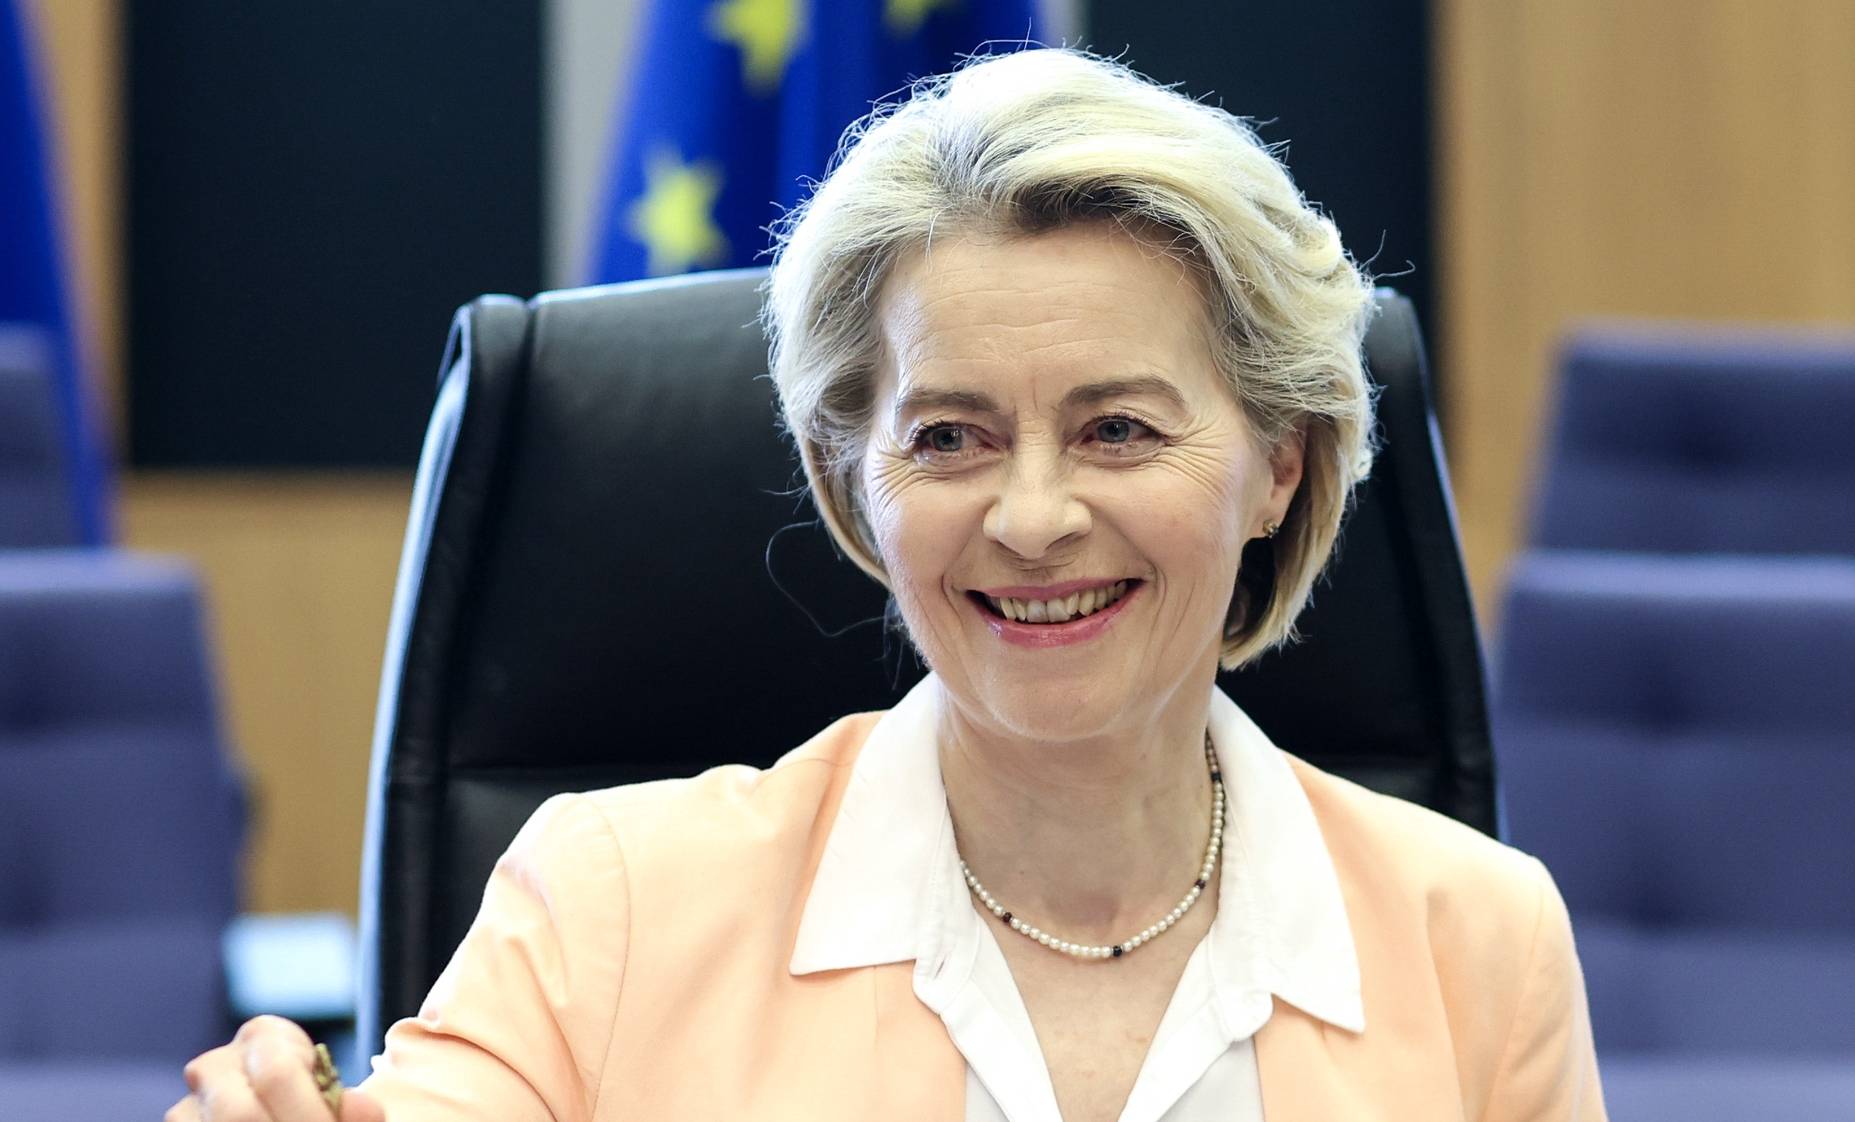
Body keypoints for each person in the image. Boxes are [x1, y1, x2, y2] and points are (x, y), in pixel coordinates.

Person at [171, 47, 1605, 1122]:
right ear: (855, 480)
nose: (1033, 516)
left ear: (1281, 464)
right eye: (951, 437)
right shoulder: (605, 904)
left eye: (1119, 428)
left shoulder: (1477, 939)